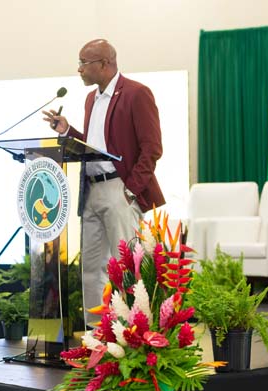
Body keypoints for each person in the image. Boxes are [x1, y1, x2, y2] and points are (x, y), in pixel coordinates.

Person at [42, 39, 165, 325]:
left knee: (128, 266)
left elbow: (152, 148)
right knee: (91, 268)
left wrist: (131, 190)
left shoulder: (136, 93)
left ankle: (133, 332)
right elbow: (95, 145)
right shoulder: (91, 99)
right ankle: (96, 333)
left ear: (104, 64)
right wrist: (68, 131)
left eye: (83, 63)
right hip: (91, 189)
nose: (79, 69)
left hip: (119, 189)